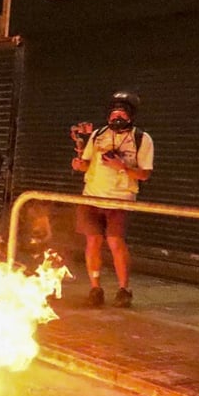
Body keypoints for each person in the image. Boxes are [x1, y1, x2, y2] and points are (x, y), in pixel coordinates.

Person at [71, 92, 153, 308]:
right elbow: (86, 163)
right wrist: (79, 165)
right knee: (93, 241)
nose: (117, 118)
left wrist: (122, 167)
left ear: (131, 116)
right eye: (114, 113)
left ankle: (124, 289)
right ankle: (95, 287)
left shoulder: (142, 139)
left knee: (116, 242)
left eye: (122, 113)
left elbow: (144, 174)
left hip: (120, 200)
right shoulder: (98, 135)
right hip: (92, 197)